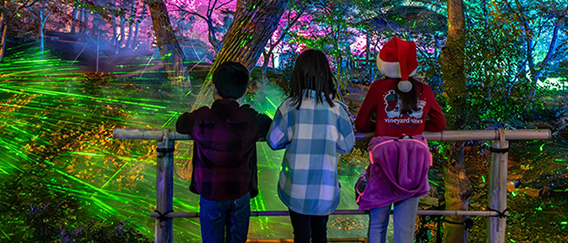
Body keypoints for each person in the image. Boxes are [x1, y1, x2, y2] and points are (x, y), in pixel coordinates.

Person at [354, 37, 446, 243]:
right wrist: (417, 127)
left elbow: (360, 125)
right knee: (405, 232)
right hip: (413, 163)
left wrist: (380, 128)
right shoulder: (425, 90)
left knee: (377, 226)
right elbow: (440, 124)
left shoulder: (378, 88)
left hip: (384, 162)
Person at [176, 61, 272, 243]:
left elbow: (181, 124)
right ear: (244, 91)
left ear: (214, 88)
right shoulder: (250, 118)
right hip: (240, 192)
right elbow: (268, 126)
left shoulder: (202, 118)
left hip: (210, 192)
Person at [267, 49, 356, 243]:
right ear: (326, 75)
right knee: (320, 233)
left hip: (295, 189)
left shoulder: (289, 106)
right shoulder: (337, 109)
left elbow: (273, 142)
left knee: (300, 234)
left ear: (298, 75)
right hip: (325, 190)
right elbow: (347, 145)